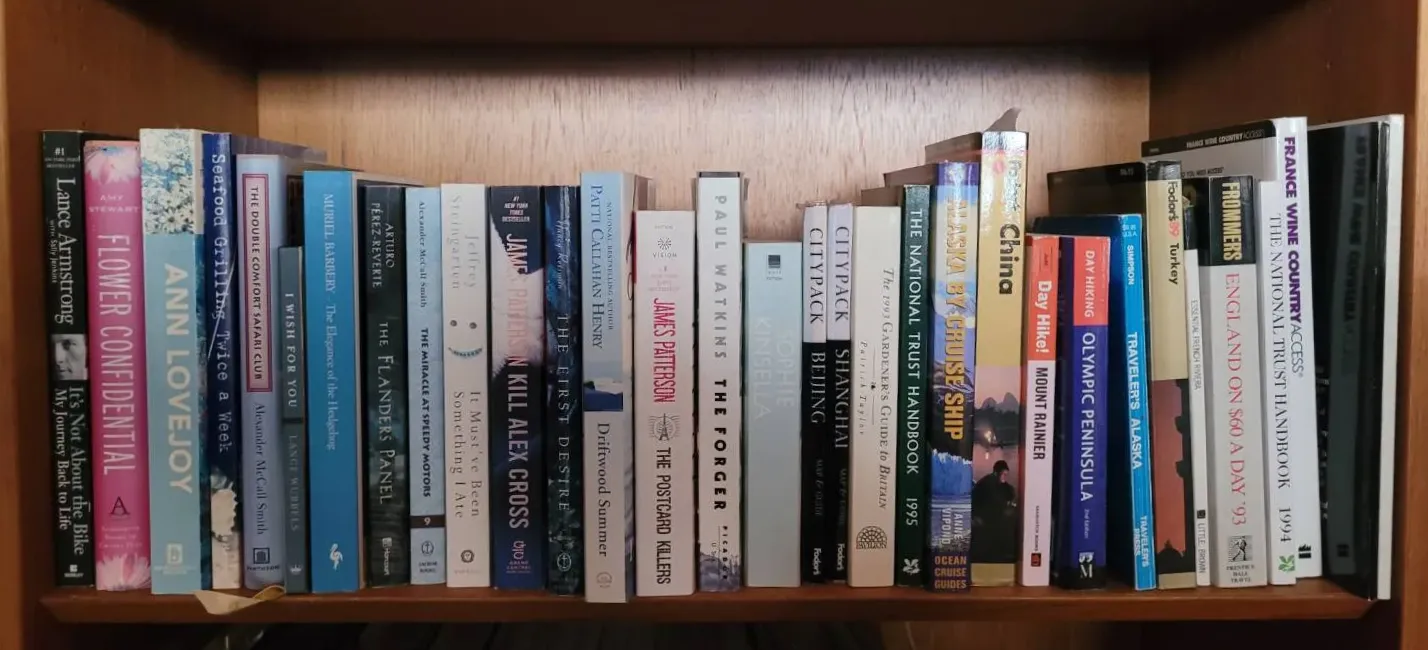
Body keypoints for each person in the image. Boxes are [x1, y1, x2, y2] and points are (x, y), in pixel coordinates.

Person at [971, 459, 1017, 562]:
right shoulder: (987, 483)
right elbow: (994, 502)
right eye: (1003, 474)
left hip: (992, 521)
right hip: (986, 521)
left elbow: (1009, 493)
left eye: (1006, 475)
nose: (1005, 477)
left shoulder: (1001, 485)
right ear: (997, 473)